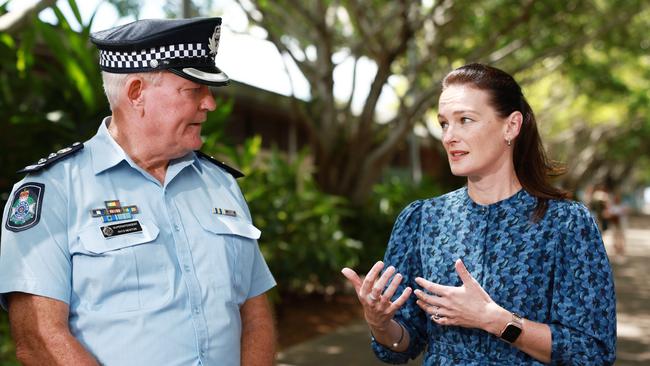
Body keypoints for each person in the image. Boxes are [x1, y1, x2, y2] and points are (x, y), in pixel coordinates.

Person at [0, 18, 276, 365]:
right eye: (194, 90)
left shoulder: (221, 185)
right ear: (136, 93)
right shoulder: (53, 190)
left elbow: (255, 313)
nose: (210, 104)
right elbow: (40, 339)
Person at [342, 63, 616, 365]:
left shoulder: (566, 223)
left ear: (511, 126)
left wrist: (494, 319)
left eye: (465, 120)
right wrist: (381, 323)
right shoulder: (421, 220)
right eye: (444, 123)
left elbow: (592, 352)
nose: (449, 136)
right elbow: (404, 343)